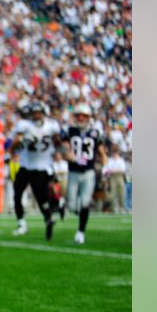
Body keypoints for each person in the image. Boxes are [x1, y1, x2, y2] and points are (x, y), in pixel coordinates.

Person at [9, 101, 61, 239]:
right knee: (18, 194)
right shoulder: (46, 125)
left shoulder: (34, 125)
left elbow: (16, 142)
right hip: (27, 166)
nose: (36, 116)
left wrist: (13, 150)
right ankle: (24, 223)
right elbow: (58, 142)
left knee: (40, 197)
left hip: (39, 167)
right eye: (34, 113)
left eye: (38, 113)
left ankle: (48, 217)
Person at [62, 103, 104, 244]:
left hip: (89, 173)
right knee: (73, 206)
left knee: (85, 202)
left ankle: (81, 232)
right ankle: (74, 212)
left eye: (83, 116)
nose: (80, 118)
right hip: (73, 172)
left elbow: (102, 152)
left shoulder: (95, 132)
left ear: (88, 117)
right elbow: (66, 149)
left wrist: (105, 164)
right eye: (78, 115)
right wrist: (70, 156)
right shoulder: (69, 131)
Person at [103, 146, 128, 213]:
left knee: (121, 193)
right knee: (113, 194)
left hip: (119, 177)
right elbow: (106, 170)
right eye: (113, 152)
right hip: (112, 178)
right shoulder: (110, 160)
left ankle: (122, 207)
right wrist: (107, 177)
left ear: (117, 152)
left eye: (115, 152)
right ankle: (114, 208)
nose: (114, 153)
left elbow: (123, 170)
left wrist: (113, 171)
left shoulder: (121, 160)